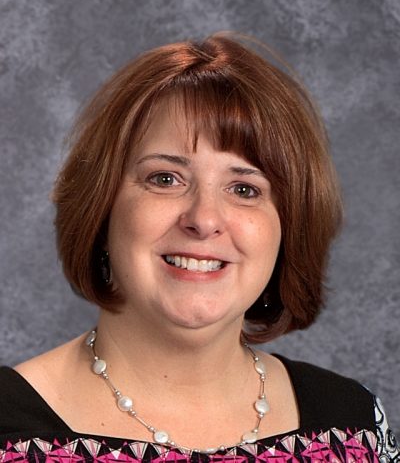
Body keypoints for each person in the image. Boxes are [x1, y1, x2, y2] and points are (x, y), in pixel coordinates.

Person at [0, 32, 398, 462]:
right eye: (165, 179)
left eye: (244, 189)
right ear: (101, 206)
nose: (204, 219)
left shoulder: (355, 428)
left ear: (289, 227)